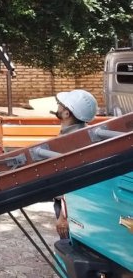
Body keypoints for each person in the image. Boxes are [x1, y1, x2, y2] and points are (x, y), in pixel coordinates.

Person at [51, 89, 98, 239]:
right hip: (74, 205)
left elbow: (72, 182)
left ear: (67, 114)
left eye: (60, 105)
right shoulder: (85, 134)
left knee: (70, 243)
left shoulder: (71, 142)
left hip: (71, 207)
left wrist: (64, 216)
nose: (57, 106)